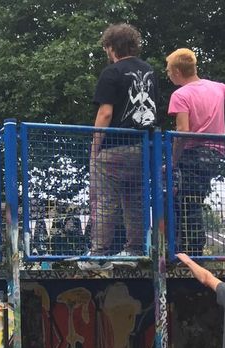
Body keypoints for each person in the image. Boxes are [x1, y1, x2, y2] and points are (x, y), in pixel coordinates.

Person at [165, 48, 225, 256]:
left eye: (169, 71)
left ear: (178, 71)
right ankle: (187, 248)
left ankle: (191, 250)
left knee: (186, 200)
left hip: (193, 152)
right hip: (216, 152)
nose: (168, 74)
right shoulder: (215, 87)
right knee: (192, 196)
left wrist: (172, 161)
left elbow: (182, 132)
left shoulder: (180, 94)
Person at [86, 23, 158, 262]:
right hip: (144, 147)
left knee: (105, 201)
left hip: (115, 147)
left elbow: (105, 113)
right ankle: (135, 249)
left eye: (106, 48)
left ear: (111, 47)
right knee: (135, 200)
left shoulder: (111, 72)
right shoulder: (149, 71)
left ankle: (98, 253)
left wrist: (95, 147)